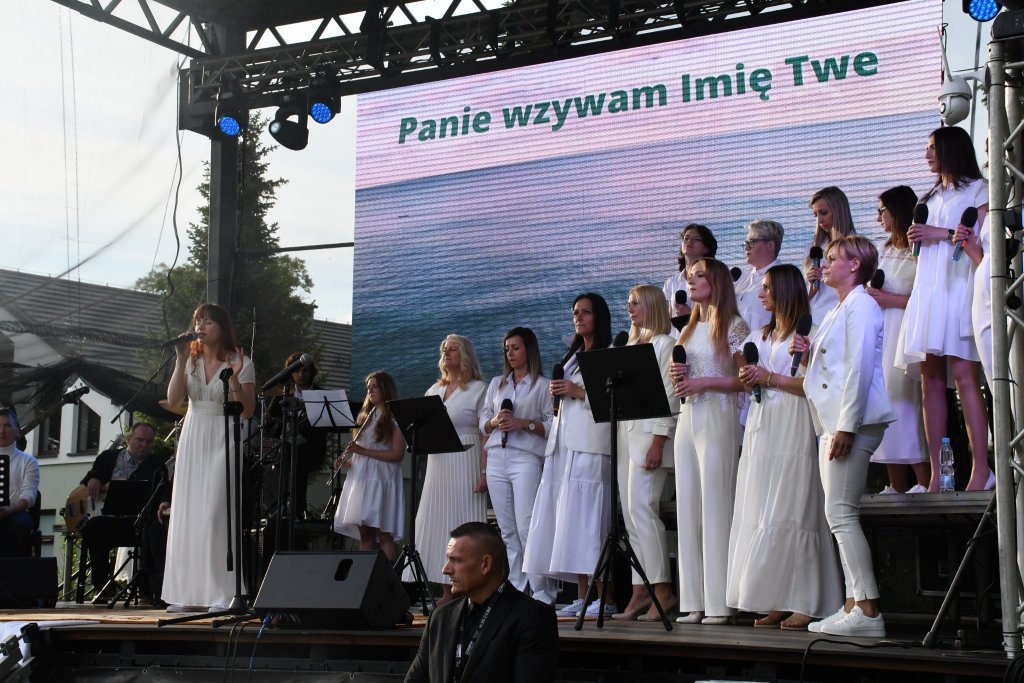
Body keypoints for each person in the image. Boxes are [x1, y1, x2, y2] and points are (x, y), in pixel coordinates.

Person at [791, 235, 897, 637]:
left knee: (841, 514)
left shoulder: (862, 304)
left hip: (852, 421)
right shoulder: (839, 308)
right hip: (834, 420)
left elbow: (859, 367)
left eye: (834, 257)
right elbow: (830, 372)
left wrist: (847, 426)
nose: (826, 263)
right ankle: (854, 603)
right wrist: (806, 357)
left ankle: (868, 611)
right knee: (837, 514)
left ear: (855, 265)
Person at [727, 265, 842, 630]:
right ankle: (777, 597)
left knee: (794, 508)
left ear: (784, 291)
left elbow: (813, 383)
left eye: (766, 287)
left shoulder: (807, 333)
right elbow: (755, 381)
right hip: (762, 425)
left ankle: (806, 600)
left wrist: (770, 377)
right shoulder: (760, 335)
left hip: (793, 422)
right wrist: (750, 379)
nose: (760, 294)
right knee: (765, 509)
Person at [899, 126, 993, 491]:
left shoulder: (980, 190)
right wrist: (917, 238)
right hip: (930, 292)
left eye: (932, 148)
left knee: (967, 378)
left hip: (960, 290)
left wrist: (937, 234)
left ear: (952, 150)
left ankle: (982, 470)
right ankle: (940, 475)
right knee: (931, 383)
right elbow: (925, 251)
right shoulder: (932, 195)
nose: (926, 155)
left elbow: (982, 250)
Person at [163, 303, 256, 612]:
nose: (201, 327)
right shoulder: (190, 361)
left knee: (216, 515)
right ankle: (188, 594)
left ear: (222, 328)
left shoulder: (242, 362)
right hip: (193, 436)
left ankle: (222, 594)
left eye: (208, 322)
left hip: (223, 436)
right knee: (189, 513)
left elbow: (248, 411)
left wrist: (234, 378)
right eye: (198, 321)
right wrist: (179, 359)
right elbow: (174, 399)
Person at [671, 259, 749, 625]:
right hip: (688, 418)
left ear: (716, 282)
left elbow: (745, 379)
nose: (692, 280)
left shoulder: (734, 326)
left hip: (718, 415)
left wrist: (702, 382)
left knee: (717, 507)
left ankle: (720, 602)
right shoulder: (686, 329)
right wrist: (681, 376)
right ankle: (694, 601)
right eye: (691, 276)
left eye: (700, 275)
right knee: (688, 510)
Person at [404, 522, 558, 683]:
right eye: (448, 559)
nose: (445, 569)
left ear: (485, 564)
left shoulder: (532, 618)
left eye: (455, 560)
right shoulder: (440, 617)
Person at [547, 293, 615, 618]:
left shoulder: (608, 352)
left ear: (598, 316)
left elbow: (610, 398)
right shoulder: (572, 355)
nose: (579, 317)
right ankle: (583, 594)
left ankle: (606, 597)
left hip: (593, 444)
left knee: (592, 521)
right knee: (574, 522)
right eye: (575, 312)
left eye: (586, 312)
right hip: (569, 444)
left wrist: (576, 392)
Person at [407, 334, 488, 604]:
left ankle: (467, 590)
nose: (446, 352)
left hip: (466, 458)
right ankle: (445, 590)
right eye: (444, 349)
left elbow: (485, 434)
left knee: (462, 520)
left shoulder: (479, 389)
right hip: (438, 462)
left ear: (465, 354)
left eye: (452, 349)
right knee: (437, 520)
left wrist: (485, 472)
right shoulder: (434, 390)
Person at [613, 285, 678, 621]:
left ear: (652, 305)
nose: (630, 308)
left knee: (643, 510)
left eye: (636, 303)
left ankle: (663, 590)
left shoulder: (666, 343)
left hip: (650, 438)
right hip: (627, 436)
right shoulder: (630, 343)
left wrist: (659, 439)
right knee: (631, 516)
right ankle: (641, 589)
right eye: (628, 303)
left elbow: (670, 394)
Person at [479, 328, 553, 602]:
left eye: (516, 348)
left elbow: (551, 424)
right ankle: (518, 589)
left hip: (525, 458)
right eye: (507, 349)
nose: (510, 353)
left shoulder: (542, 385)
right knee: (507, 529)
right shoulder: (497, 384)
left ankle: (542, 590)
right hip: (497, 457)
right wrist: (494, 421)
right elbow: (482, 421)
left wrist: (523, 423)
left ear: (529, 350)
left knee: (526, 525)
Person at [868, 185, 929, 493]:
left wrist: (890, 300)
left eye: (882, 210)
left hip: (906, 328)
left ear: (897, 210)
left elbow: (925, 295)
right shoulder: (883, 249)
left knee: (907, 402)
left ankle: (925, 482)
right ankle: (896, 484)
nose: (878, 217)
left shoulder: (918, 249)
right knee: (885, 402)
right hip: (882, 330)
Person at [79, 423, 169, 602]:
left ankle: (149, 589)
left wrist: (164, 502)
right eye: (140, 440)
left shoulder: (157, 464)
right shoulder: (108, 457)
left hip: (142, 520)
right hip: (112, 518)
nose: (144, 445)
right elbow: (90, 476)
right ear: (129, 439)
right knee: (94, 528)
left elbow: (164, 488)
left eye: (149, 441)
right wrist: (93, 479)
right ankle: (102, 585)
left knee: (155, 530)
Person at [332, 371, 405, 561]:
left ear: (385, 389)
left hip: (381, 480)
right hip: (361, 479)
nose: (370, 391)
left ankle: (389, 576)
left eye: (375, 387)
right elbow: (362, 457)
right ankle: (364, 576)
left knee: (384, 535)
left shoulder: (395, 417)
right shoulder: (365, 416)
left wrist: (361, 451)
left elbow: (397, 455)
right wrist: (347, 462)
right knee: (365, 535)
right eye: (368, 387)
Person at [281, 352, 328, 520]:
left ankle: (296, 508)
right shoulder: (284, 394)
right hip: (285, 448)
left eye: (305, 370)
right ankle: (282, 506)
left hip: (310, 448)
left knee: (298, 454)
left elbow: (325, 428)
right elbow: (271, 421)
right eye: (296, 370)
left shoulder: (322, 395)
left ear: (312, 371)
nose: (301, 374)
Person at [805, 186, 856, 323]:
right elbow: (808, 295)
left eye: (824, 213)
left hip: (838, 318)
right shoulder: (814, 247)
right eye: (816, 215)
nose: (819, 220)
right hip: (812, 318)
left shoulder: (855, 246)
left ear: (839, 210)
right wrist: (811, 283)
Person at [0, 409, 39, 558]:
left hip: (15, 513)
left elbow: (29, 496)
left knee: (20, 526)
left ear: (16, 430)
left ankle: (16, 570)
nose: (2, 431)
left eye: (7, 426)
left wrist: (9, 510)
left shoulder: (28, 461)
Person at [734, 220, 784, 333]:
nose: (746, 247)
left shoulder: (783, 279)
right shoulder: (741, 276)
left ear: (770, 245)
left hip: (764, 342)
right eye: (745, 243)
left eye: (751, 242)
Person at [663, 224, 718, 319]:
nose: (689, 241)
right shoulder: (671, 282)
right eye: (686, 238)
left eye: (696, 239)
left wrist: (691, 316)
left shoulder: (715, 278)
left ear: (706, 248)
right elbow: (665, 316)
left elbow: (720, 314)